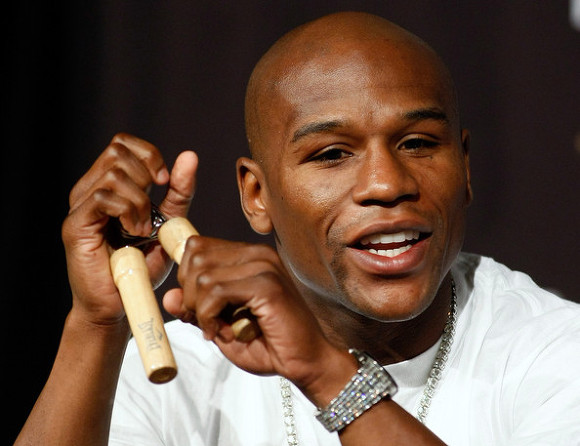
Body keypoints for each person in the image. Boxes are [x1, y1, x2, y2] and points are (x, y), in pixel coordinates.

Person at [15, 11, 580, 446]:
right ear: (256, 196)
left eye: (417, 143)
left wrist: (326, 372)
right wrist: (96, 323)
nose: (386, 183)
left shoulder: (554, 349)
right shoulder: (180, 369)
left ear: (466, 169)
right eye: (332, 154)